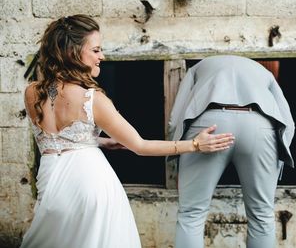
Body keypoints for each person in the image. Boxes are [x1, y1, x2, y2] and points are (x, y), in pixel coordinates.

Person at [20, 14, 235, 248]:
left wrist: (99, 142)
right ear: (73, 52)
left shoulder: (32, 93)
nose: (102, 56)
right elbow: (140, 146)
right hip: (90, 183)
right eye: (96, 50)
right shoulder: (93, 99)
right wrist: (195, 145)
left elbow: (56, 142)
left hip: (51, 183)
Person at [168, 55, 295, 248]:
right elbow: (288, 121)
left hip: (208, 123)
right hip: (259, 125)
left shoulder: (199, 67)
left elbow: (175, 117)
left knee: (191, 214)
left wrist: (177, 151)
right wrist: (278, 158)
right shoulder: (264, 72)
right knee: (262, 216)